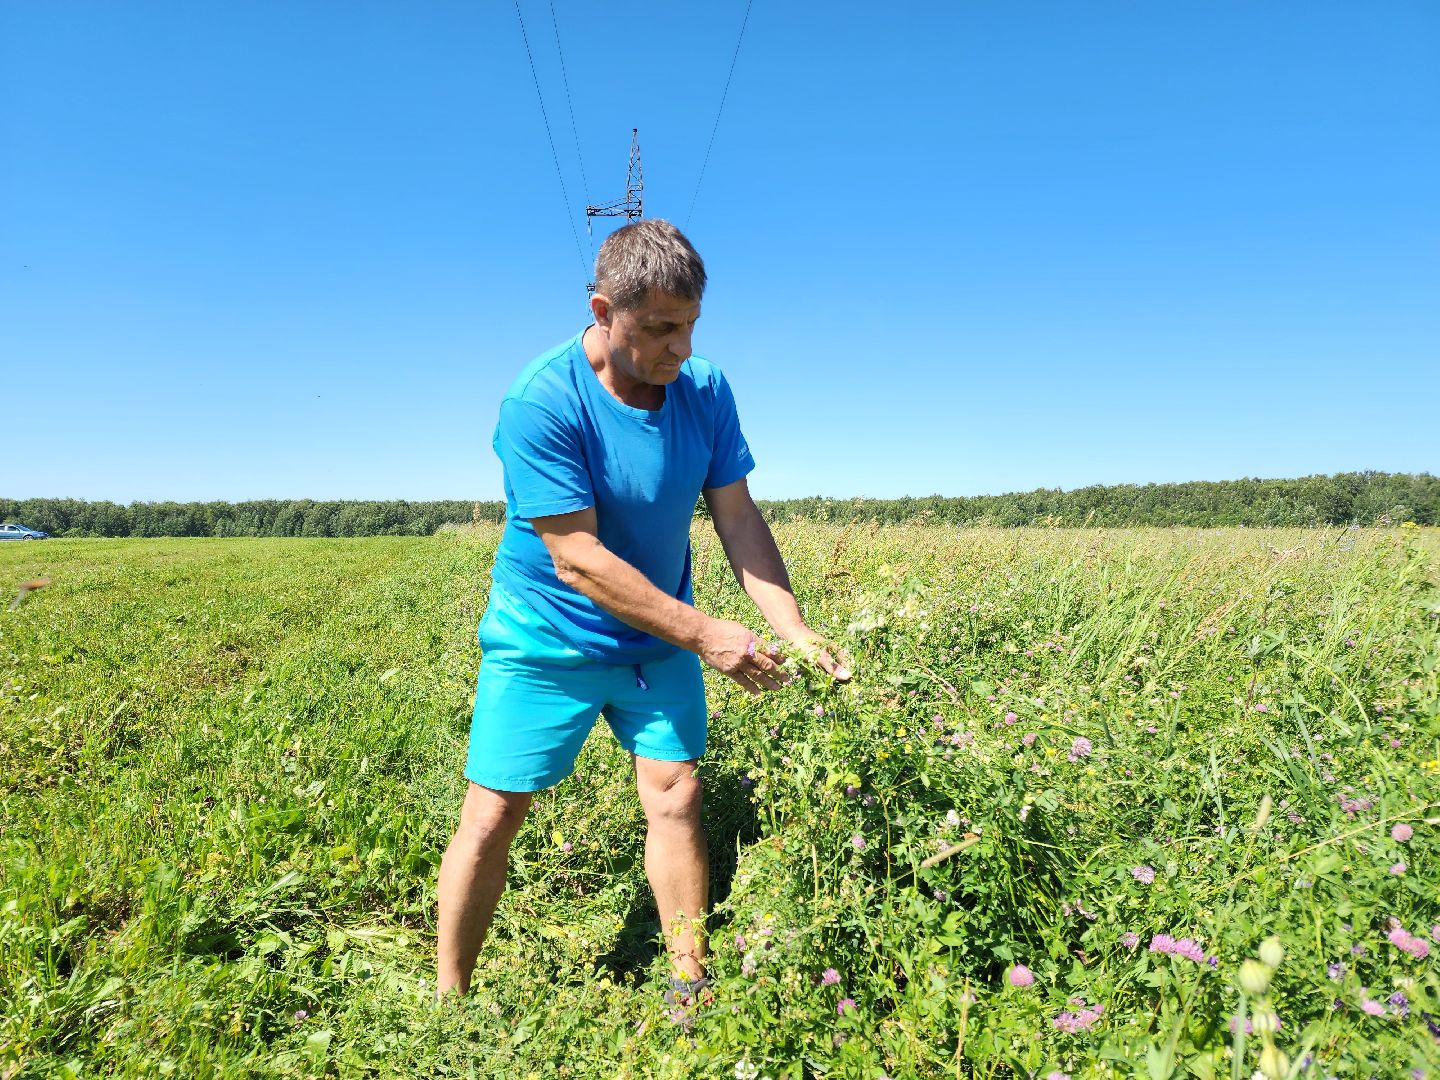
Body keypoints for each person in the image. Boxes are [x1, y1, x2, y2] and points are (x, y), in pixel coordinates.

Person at [435, 219, 850, 1003]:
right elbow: (576, 558)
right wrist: (705, 634)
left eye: (690, 325)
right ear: (603, 311)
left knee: (678, 793)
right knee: (494, 811)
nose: (681, 348)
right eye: (660, 328)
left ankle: (689, 983)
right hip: (546, 639)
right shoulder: (541, 401)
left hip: (654, 645)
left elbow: (737, 518)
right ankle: (449, 997)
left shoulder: (706, 392)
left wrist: (793, 627)